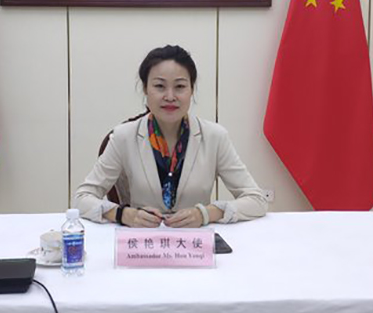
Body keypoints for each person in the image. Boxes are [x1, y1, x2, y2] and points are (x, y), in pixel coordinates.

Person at [73, 45, 268, 228]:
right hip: (143, 242)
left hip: (196, 242)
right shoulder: (124, 136)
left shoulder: (215, 137)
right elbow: (82, 198)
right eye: (159, 86)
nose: (170, 96)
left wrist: (207, 213)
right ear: (145, 89)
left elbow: (257, 200)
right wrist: (123, 214)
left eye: (180, 86)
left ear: (191, 90)